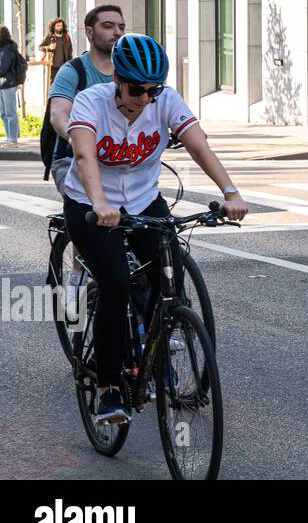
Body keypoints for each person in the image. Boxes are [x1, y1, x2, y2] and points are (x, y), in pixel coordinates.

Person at [64, 33, 248, 424]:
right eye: (136, 89)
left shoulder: (165, 100)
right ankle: (110, 388)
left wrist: (230, 192)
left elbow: (199, 146)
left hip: (145, 200)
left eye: (154, 89)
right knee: (115, 282)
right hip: (91, 205)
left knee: (170, 271)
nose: (146, 98)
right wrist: (99, 203)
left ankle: (155, 344)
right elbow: (83, 154)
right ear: (117, 79)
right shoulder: (90, 102)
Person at [46, 5, 123, 195]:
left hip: (120, 160)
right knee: (86, 207)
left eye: (121, 27)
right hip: (71, 160)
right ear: (89, 32)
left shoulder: (129, 72)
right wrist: (75, 138)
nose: (117, 32)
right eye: (108, 26)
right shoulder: (73, 71)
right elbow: (58, 114)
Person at [0, 25, 23, 146]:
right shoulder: (2, 49)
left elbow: (2, 68)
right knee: (4, 112)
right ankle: (10, 136)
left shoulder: (7, 50)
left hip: (8, 83)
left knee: (10, 112)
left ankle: (12, 138)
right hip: (2, 82)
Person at [39, 18, 73, 95]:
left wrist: (70, 64)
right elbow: (40, 47)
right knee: (53, 85)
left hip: (64, 65)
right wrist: (49, 47)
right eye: (57, 26)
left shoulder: (66, 37)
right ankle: (51, 101)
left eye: (61, 26)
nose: (60, 27)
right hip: (52, 65)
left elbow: (70, 51)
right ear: (53, 27)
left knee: (64, 84)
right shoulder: (49, 36)